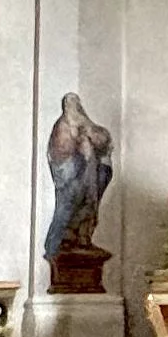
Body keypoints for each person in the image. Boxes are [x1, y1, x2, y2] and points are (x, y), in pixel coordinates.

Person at [46, 94, 115, 262]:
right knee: (68, 204)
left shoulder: (85, 124)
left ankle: (82, 237)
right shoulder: (63, 126)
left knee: (89, 205)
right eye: (70, 104)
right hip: (70, 175)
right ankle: (58, 242)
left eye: (76, 104)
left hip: (87, 177)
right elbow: (60, 151)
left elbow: (103, 142)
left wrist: (89, 140)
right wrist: (80, 145)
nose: (74, 108)